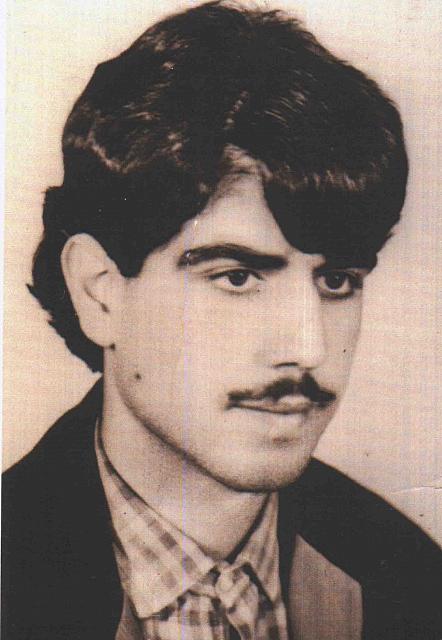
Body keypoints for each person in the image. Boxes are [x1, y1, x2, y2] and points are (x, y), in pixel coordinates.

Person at [2, 2, 441, 638]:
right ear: (99, 293)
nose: (309, 347)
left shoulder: (410, 580)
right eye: (237, 277)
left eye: (336, 281)